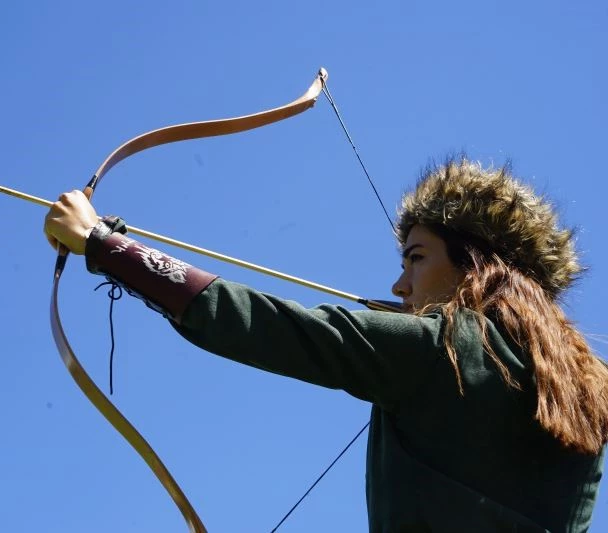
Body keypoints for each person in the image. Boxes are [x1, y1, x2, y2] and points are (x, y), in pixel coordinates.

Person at [44, 157, 608, 532]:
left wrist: (101, 242)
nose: (400, 286)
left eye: (416, 258)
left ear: (475, 267)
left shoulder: (440, 351)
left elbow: (261, 323)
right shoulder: (585, 393)